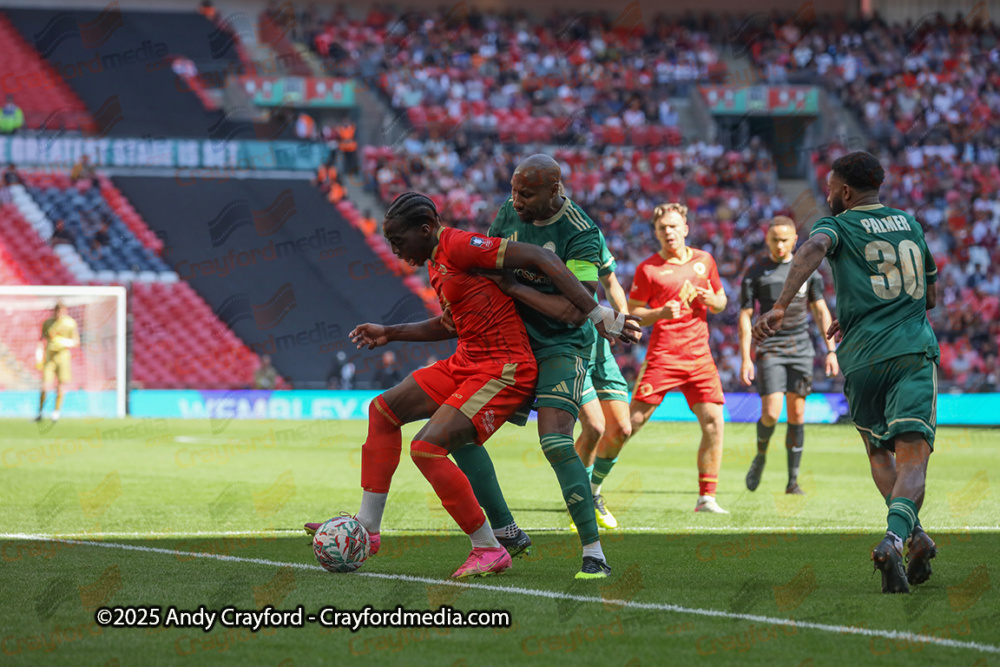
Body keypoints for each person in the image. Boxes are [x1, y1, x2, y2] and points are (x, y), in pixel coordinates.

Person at [306, 192, 634, 579]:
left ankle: (488, 547)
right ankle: (368, 527)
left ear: (426, 228)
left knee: (427, 449)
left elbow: (540, 257)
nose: (395, 251)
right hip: (468, 361)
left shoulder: (460, 246)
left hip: (503, 368)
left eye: (399, 242)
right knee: (382, 411)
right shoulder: (436, 262)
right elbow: (450, 325)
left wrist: (596, 312)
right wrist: (390, 332)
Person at [753, 151, 939, 594]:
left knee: (879, 454)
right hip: (912, 351)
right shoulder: (911, 225)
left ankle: (914, 538)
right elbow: (930, 295)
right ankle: (897, 539)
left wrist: (780, 305)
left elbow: (814, 249)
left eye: (832, 187)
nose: (829, 193)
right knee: (913, 458)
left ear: (846, 192)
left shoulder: (834, 225)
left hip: (861, 357)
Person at [487, 154, 641, 578]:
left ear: (555, 191)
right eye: (514, 190)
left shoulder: (581, 232)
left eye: (527, 193)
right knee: (459, 429)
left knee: (559, 441)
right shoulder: (507, 212)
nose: (516, 200)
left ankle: (594, 554)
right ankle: (501, 535)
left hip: (561, 344)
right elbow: (488, 264)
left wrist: (515, 286)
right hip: (511, 340)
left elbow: (574, 310)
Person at [625, 203, 730, 514]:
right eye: (662, 228)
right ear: (656, 233)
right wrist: (659, 312)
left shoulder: (705, 260)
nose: (668, 232)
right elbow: (633, 314)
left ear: (685, 229)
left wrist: (715, 301)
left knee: (714, 422)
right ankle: (592, 482)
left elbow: (721, 300)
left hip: (699, 356)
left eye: (673, 226)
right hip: (664, 354)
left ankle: (707, 498)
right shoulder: (648, 269)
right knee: (631, 423)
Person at [739, 216, 838, 494]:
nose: (780, 244)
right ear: (767, 239)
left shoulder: (809, 269)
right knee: (771, 413)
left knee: (796, 413)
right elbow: (745, 316)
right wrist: (746, 357)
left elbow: (820, 310)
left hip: (801, 348)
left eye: (785, 239)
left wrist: (831, 350)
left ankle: (792, 481)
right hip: (770, 347)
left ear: (795, 239)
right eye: (774, 239)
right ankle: (760, 455)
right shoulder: (756, 271)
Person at [573, 231, 636, 530]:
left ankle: (594, 492)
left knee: (621, 428)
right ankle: (580, 503)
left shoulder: (586, 232)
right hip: (567, 347)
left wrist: (623, 318)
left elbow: (609, 280)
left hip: (599, 345)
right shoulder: (527, 232)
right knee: (594, 428)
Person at [36, 303, 80, 423]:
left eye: (62, 312)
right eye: (57, 312)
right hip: (49, 358)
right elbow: (41, 339)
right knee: (45, 386)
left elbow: (76, 341)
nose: (59, 314)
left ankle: (56, 412)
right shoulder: (47, 323)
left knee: (61, 386)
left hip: (63, 357)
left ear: (65, 311)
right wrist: (39, 356)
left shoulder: (70, 323)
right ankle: (40, 412)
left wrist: (64, 342)